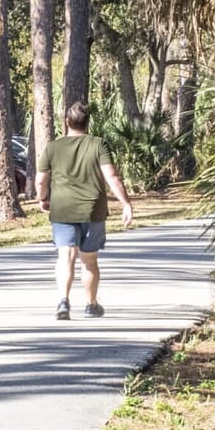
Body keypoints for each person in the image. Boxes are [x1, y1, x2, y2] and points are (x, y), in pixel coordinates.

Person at [37, 101, 134, 320]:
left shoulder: (53, 147)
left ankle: (63, 301)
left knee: (66, 256)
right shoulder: (98, 144)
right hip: (93, 210)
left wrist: (42, 198)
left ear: (66, 122)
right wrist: (126, 203)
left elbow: (41, 180)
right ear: (87, 123)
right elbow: (112, 176)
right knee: (89, 260)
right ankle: (91, 304)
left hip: (62, 209)